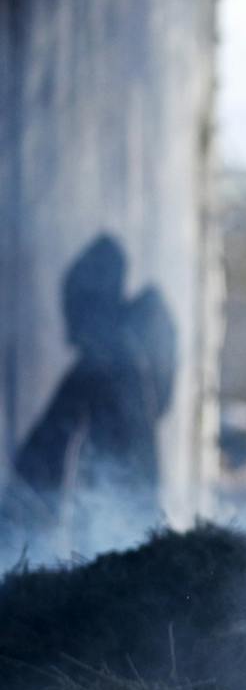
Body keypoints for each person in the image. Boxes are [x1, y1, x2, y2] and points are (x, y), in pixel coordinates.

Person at [2, 235, 176, 557]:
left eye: (73, 304)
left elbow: (43, 454)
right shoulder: (124, 355)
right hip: (120, 516)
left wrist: (15, 524)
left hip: (114, 521)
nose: (67, 318)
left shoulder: (107, 363)